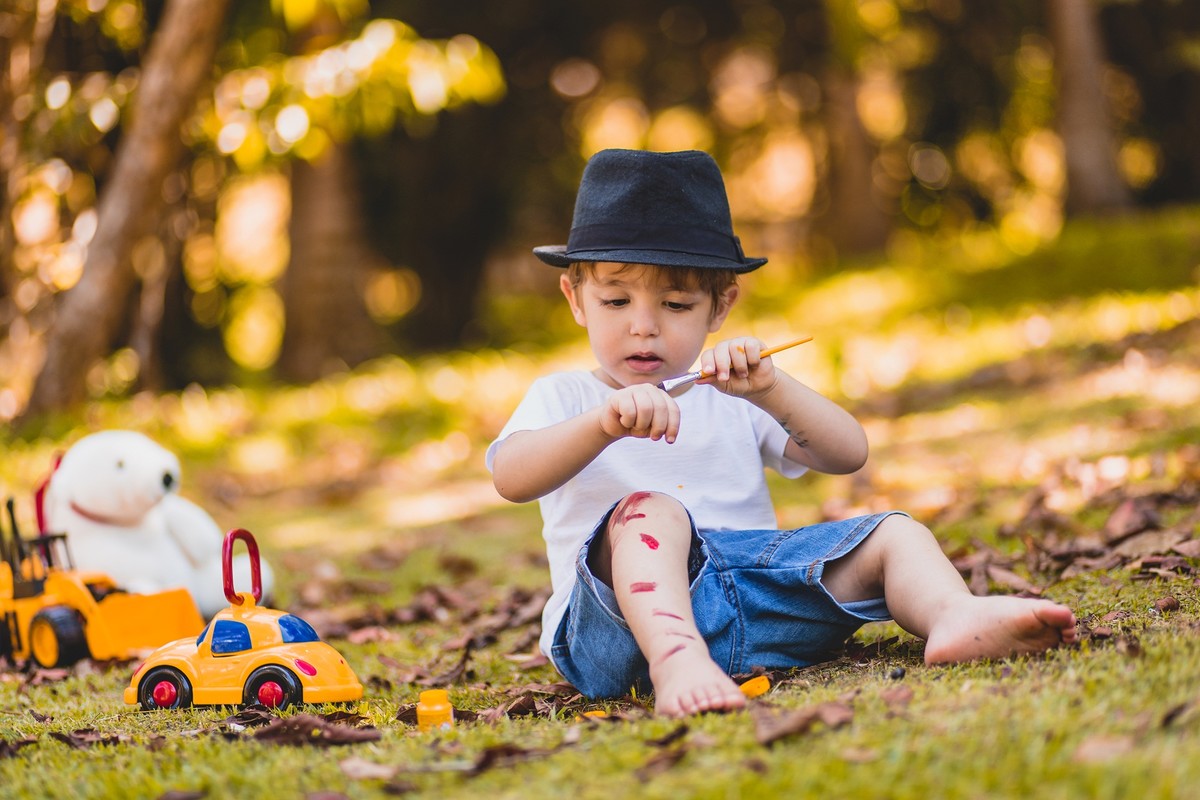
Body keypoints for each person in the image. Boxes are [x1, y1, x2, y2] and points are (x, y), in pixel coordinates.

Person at [486, 148, 1077, 718]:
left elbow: (848, 453)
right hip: (615, 635)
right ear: (576, 299)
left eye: (676, 304)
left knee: (894, 532)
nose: (644, 328)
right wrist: (600, 426)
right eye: (616, 301)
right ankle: (678, 664)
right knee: (649, 511)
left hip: (756, 605)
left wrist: (771, 389)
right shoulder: (566, 398)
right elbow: (511, 478)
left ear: (720, 308)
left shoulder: (731, 391)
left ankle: (953, 614)